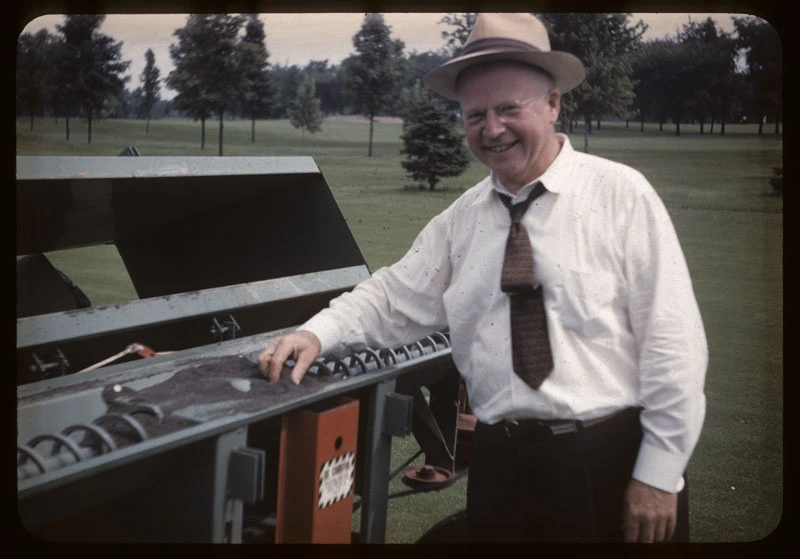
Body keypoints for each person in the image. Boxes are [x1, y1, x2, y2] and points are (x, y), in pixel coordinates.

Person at [258, 12, 707, 543]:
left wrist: (658, 474)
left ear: (553, 104)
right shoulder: (461, 222)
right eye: (475, 115)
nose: (492, 130)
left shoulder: (621, 196)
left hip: (608, 464)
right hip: (502, 471)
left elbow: (674, 346)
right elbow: (391, 298)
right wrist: (316, 333)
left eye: (509, 109)